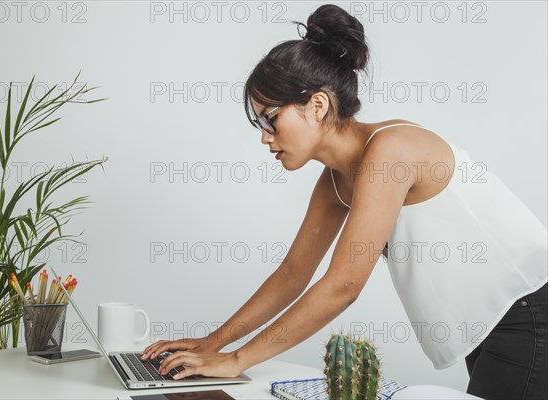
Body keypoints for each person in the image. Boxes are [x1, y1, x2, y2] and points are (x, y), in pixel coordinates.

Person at [141, 4, 547, 399]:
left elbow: (343, 286)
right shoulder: (334, 183)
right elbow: (293, 275)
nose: (264, 136)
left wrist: (237, 360)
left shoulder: (391, 150)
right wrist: (213, 344)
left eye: (270, 119)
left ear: (316, 105)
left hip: (529, 313)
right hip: (495, 325)